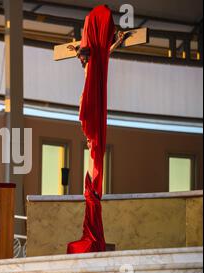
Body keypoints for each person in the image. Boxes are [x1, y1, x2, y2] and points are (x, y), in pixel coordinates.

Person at [67, 5, 123, 254]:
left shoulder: (94, 66)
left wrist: (115, 43)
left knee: (93, 146)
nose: (82, 58)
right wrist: (78, 49)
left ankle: (93, 197)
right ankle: (92, 196)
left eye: (83, 55)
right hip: (90, 104)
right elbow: (101, 54)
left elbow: (104, 54)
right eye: (82, 56)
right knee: (93, 144)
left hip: (91, 105)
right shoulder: (92, 68)